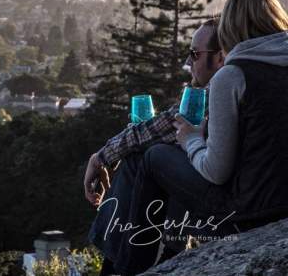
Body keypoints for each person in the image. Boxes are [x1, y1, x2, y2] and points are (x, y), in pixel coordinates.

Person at [114, 0, 288, 274]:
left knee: (155, 158)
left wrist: (191, 139)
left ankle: (131, 268)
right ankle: (166, 256)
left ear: (231, 26)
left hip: (247, 214)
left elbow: (215, 170)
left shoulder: (232, 76)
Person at [84, 18, 224, 275]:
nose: (189, 62)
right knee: (153, 154)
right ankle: (127, 260)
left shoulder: (222, 89)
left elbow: (159, 128)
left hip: (229, 203)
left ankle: (118, 264)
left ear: (219, 58)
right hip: (234, 194)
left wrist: (101, 157)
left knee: (146, 158)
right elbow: (158, 130)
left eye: (194, 54)